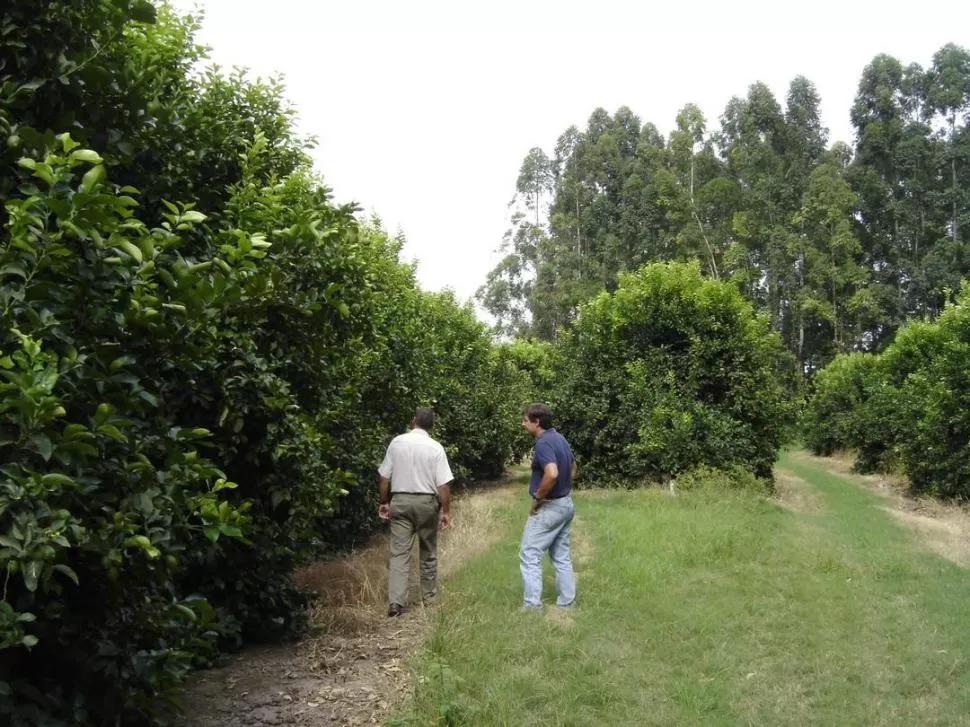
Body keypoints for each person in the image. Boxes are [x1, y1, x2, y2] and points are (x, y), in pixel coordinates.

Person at [377, 407, 453, 617]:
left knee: (399, 553)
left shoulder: (397, 443)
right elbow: (443, 485)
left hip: (400, 501)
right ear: (431, 426)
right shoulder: (436, 448)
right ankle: (428, 599)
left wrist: (384, 501)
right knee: (428, 551)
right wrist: (445, 511)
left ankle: (396, 603)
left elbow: (384, 477)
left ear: (413, 421)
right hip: (426, 503)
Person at [520, 403, 576, 610]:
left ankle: (532, 607)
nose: (523, 424)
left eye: (526, 421)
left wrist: (538, 497)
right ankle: (566, 603)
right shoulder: (560, 438)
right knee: (561, 556)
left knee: (529, 553)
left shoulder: (543, 443)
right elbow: (572, 466)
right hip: (566, 504)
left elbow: (551, 473)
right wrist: (565, 488)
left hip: (551, 506)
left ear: (537, 422)